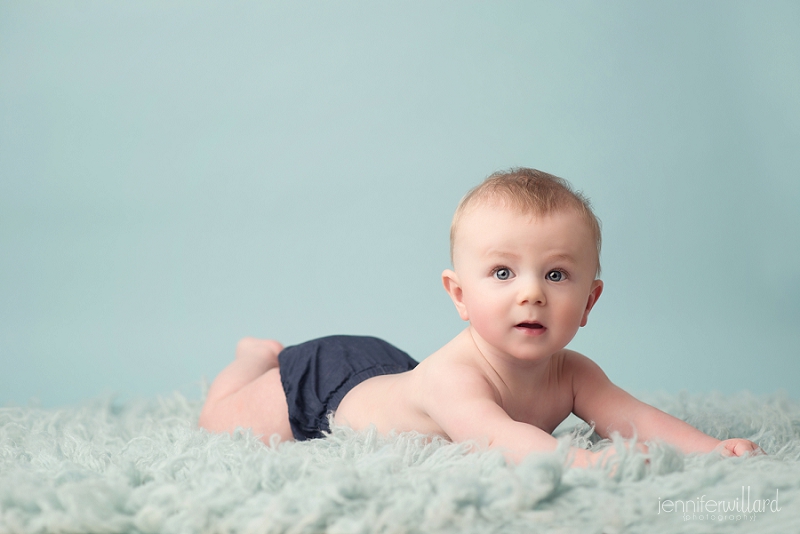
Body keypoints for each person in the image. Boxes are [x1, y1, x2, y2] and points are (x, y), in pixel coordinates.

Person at [199, 168, 762, 466]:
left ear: (589, 302)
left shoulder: (576, 373)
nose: (531, 295)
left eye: (557, 275)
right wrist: (584, 466)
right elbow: (499, 438)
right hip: (328, 384)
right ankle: (255, 357)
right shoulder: (455, 380)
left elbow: (632, 416)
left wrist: (709, 448)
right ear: (459, 295)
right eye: (502, 273)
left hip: (392, 369)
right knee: (218, 420)